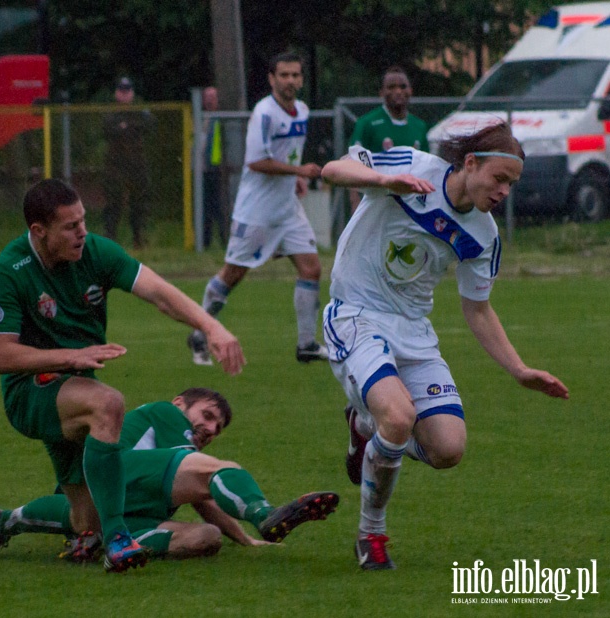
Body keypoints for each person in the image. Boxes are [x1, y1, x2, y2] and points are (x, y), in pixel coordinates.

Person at [319, 121, 569, 571]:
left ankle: (365, 428)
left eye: (511, 185)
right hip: (356, 313)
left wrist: (519, 369)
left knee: (448, 449)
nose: (503, 192)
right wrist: (381, 180)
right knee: (399, 417)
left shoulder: (485, 236)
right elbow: (332, 171)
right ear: (470, 164)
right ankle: (371, 535)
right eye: (498, 179)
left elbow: (478, 310)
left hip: (414, 330)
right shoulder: (413, 166)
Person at [0, 179, 245, 573]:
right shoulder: (10, 269)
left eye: (83, 220)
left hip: (74, 390)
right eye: (70, 226)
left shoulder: (95, 252)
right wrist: (71, 357)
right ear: (39, 231)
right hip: (29, 391)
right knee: (109, 403)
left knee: (87, 520)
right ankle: (119, 541)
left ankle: (3, 522)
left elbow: (159, 292)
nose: (82, 232)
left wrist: (211, 327)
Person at [0, 388, 339, 561]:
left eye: (218, 427)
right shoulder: (167, 414)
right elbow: (206, 486)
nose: (210, 428)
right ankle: (264, 513)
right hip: (117, 472)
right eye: (207, 416)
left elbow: (204, 499)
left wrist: (242, 540)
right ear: (181, 403)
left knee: (205, 539)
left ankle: (5, 523)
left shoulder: (180, 455)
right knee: (225, 470)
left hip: (116, 511)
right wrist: (255, 524)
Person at [188, 52, 327, 366]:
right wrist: (298, 172)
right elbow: (256, 161)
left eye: (295, 75)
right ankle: (199, 331)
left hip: (287, 209)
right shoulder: (264, 113)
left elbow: (288, 153)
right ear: (271, 78)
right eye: (284, 75)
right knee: (233, 274)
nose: (290, 81)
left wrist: (295, 179)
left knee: (311, 268)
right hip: (257, 212)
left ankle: (306, 344)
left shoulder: (301, 110)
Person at [348, 66, 429, 212]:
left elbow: (427, 170)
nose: (398, 91)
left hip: (411, 206)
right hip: (376, 202)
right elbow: (353, 164)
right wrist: (355, 203)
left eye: (403, 86)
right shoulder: (367, 123)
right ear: (382, 92)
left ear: (410, 90)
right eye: (391, 87)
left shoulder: (420, 126)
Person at [102, 77, 155, 248]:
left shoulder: (139, 112)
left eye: (127, 91)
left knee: (138, 202)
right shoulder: (110, 113)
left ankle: (138, 238)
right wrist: (126, 128)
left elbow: (148, 125)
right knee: (113, 202)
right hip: (115, 165)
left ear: (132, 93)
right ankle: (110, 238)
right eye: (121, 91)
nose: (124, 95)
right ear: (116, 93)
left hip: (136, 164)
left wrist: (127, 126)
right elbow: (108, 129)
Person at [201, 86, 228, 249]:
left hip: (218, 169)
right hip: (203, 170)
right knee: (205, 208)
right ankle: (205, 242)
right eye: (207, 97)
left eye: (213, 96)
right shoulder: (200, 117)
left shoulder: (222, 119)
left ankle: (225, 240)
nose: (210, 100)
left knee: (219, 207)